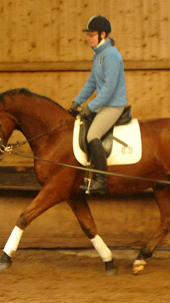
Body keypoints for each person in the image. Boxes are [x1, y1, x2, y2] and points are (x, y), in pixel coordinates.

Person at [69, 15, 127, 194]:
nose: (88, 38)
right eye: (88, 35)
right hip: (103, 105)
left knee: (92, 135)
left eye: (91, 35)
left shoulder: (111, 55)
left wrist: (91, 106)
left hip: (113, 105)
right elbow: (92, 82)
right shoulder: (99, 55)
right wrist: (77, 101)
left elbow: (109, 89)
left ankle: (101, 180)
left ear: (103, 34)